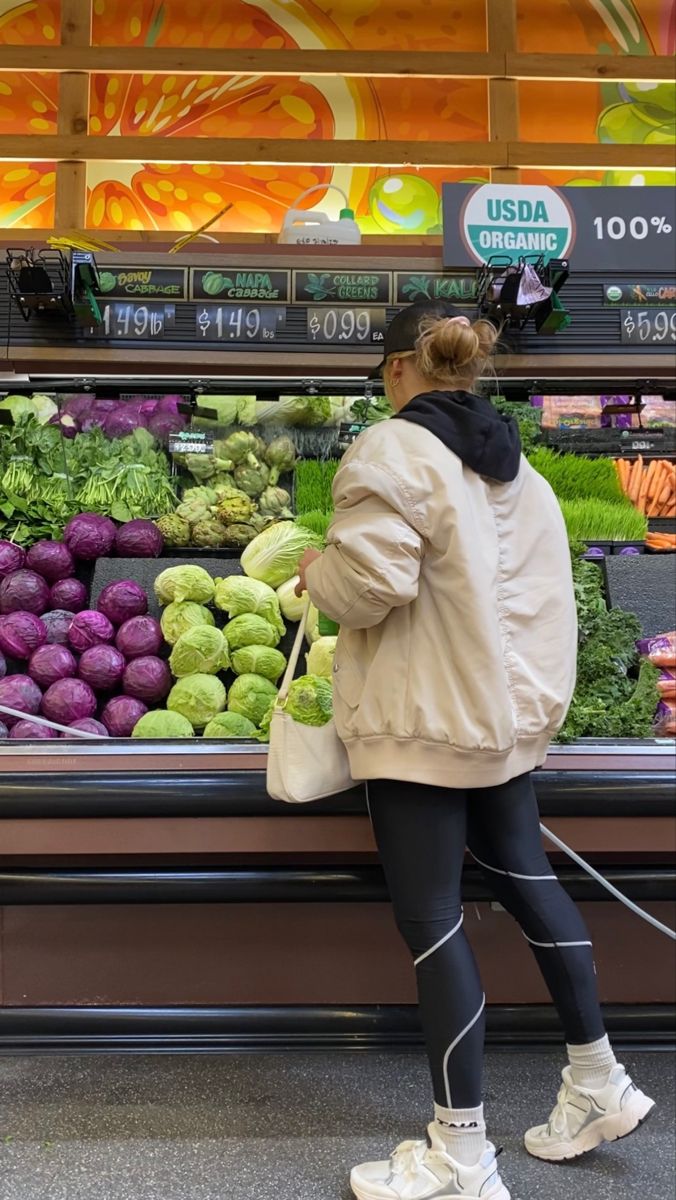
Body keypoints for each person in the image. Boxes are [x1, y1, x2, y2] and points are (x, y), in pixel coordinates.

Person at [296, 301, 654, 1200]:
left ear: (394, 372)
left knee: (434, 927)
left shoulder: (389, 450)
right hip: (500, 722)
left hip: (421, 725)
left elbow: (371, 585)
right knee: (531, 882)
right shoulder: (518, 466)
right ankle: (598, 1079)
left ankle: (459, 1154)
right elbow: (539, 599)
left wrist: (316, 573)